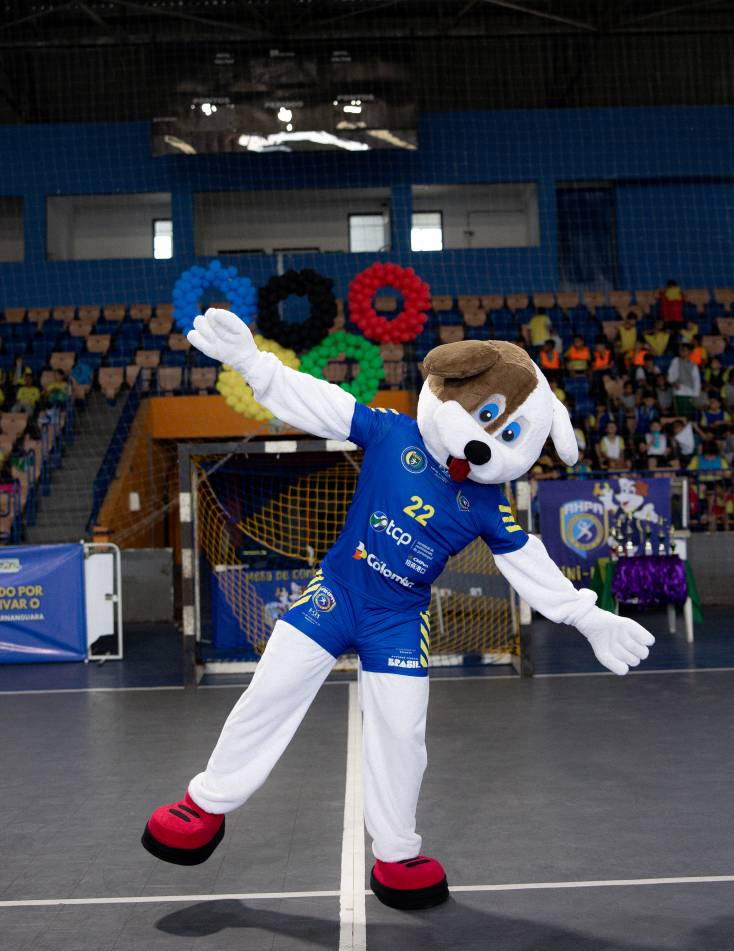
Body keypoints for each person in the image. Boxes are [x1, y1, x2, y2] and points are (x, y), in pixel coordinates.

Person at [141, 311, 654, 906]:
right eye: (488, 418)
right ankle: (205, 804)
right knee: (272, 687)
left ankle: (396, 852)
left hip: (399, 620)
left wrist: (587, 616)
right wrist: (254, 363)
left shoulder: (490, 502)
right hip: (335, 594)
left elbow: (526, 560)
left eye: (509, 435)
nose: (486, 440)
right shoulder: (392, 434)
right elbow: (324, 403)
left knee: (403, 734)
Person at [668, 343, 701, 417]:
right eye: (681, 350)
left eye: (684, 350)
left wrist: (695, 396)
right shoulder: (676, 361)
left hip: (690, 393)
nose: (682, 352)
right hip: (679, 392)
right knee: (680, 416)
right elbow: (671, 374)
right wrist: (673, 383)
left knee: (689, 416)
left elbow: (697, 381)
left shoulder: (694, 365)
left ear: (690, 352)